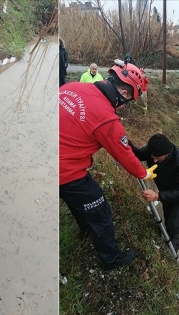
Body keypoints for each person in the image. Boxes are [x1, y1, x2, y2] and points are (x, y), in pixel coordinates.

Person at [59, 59, 156, 270]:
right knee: (100, 211)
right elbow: (125, 157)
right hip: (66, 171)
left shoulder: (71, 87)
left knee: (74, 199)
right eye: (129, 100)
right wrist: (144, 174)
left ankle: (85, 229)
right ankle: (111, 259)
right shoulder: (107, 119)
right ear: (125, 94)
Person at [129, 134, 179, 253]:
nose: (154, 160)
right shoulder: (152, 151)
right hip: (166, 190)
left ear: (167, 153)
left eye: (157, 158)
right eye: (152, 156)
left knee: (173, 222)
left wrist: (158, 196)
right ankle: (165, 236)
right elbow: (138, 154)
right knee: (167, 216)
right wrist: (125, 142)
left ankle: (175, 244)